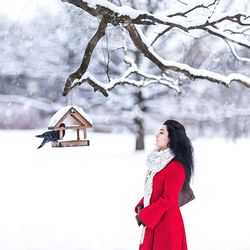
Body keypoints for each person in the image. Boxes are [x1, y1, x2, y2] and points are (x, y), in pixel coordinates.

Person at [135, 120, 195, 250]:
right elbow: (153, 189)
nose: (156, 135)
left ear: (171, 138)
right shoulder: (157, 163)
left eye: (161, 132)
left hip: (167, 225)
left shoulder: (176, 166)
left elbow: (169, 199)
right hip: (153, 219)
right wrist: (142, 204)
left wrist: (145, 215)